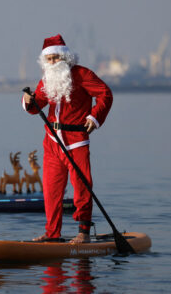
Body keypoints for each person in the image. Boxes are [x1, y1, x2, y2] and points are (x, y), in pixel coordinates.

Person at [22, 34, 113, 244]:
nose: (53, 63)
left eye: (56, 58)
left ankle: (83, 233)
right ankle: (52, 234)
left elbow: (105, 94)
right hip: (52, 142)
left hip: (76, 141)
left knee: (82, 187)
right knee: (51, 190)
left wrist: (94, 117)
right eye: (49, 59)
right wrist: (28, 101)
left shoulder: (81, 74)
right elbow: (37, 107)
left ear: (65, 57)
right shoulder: (47, 79)